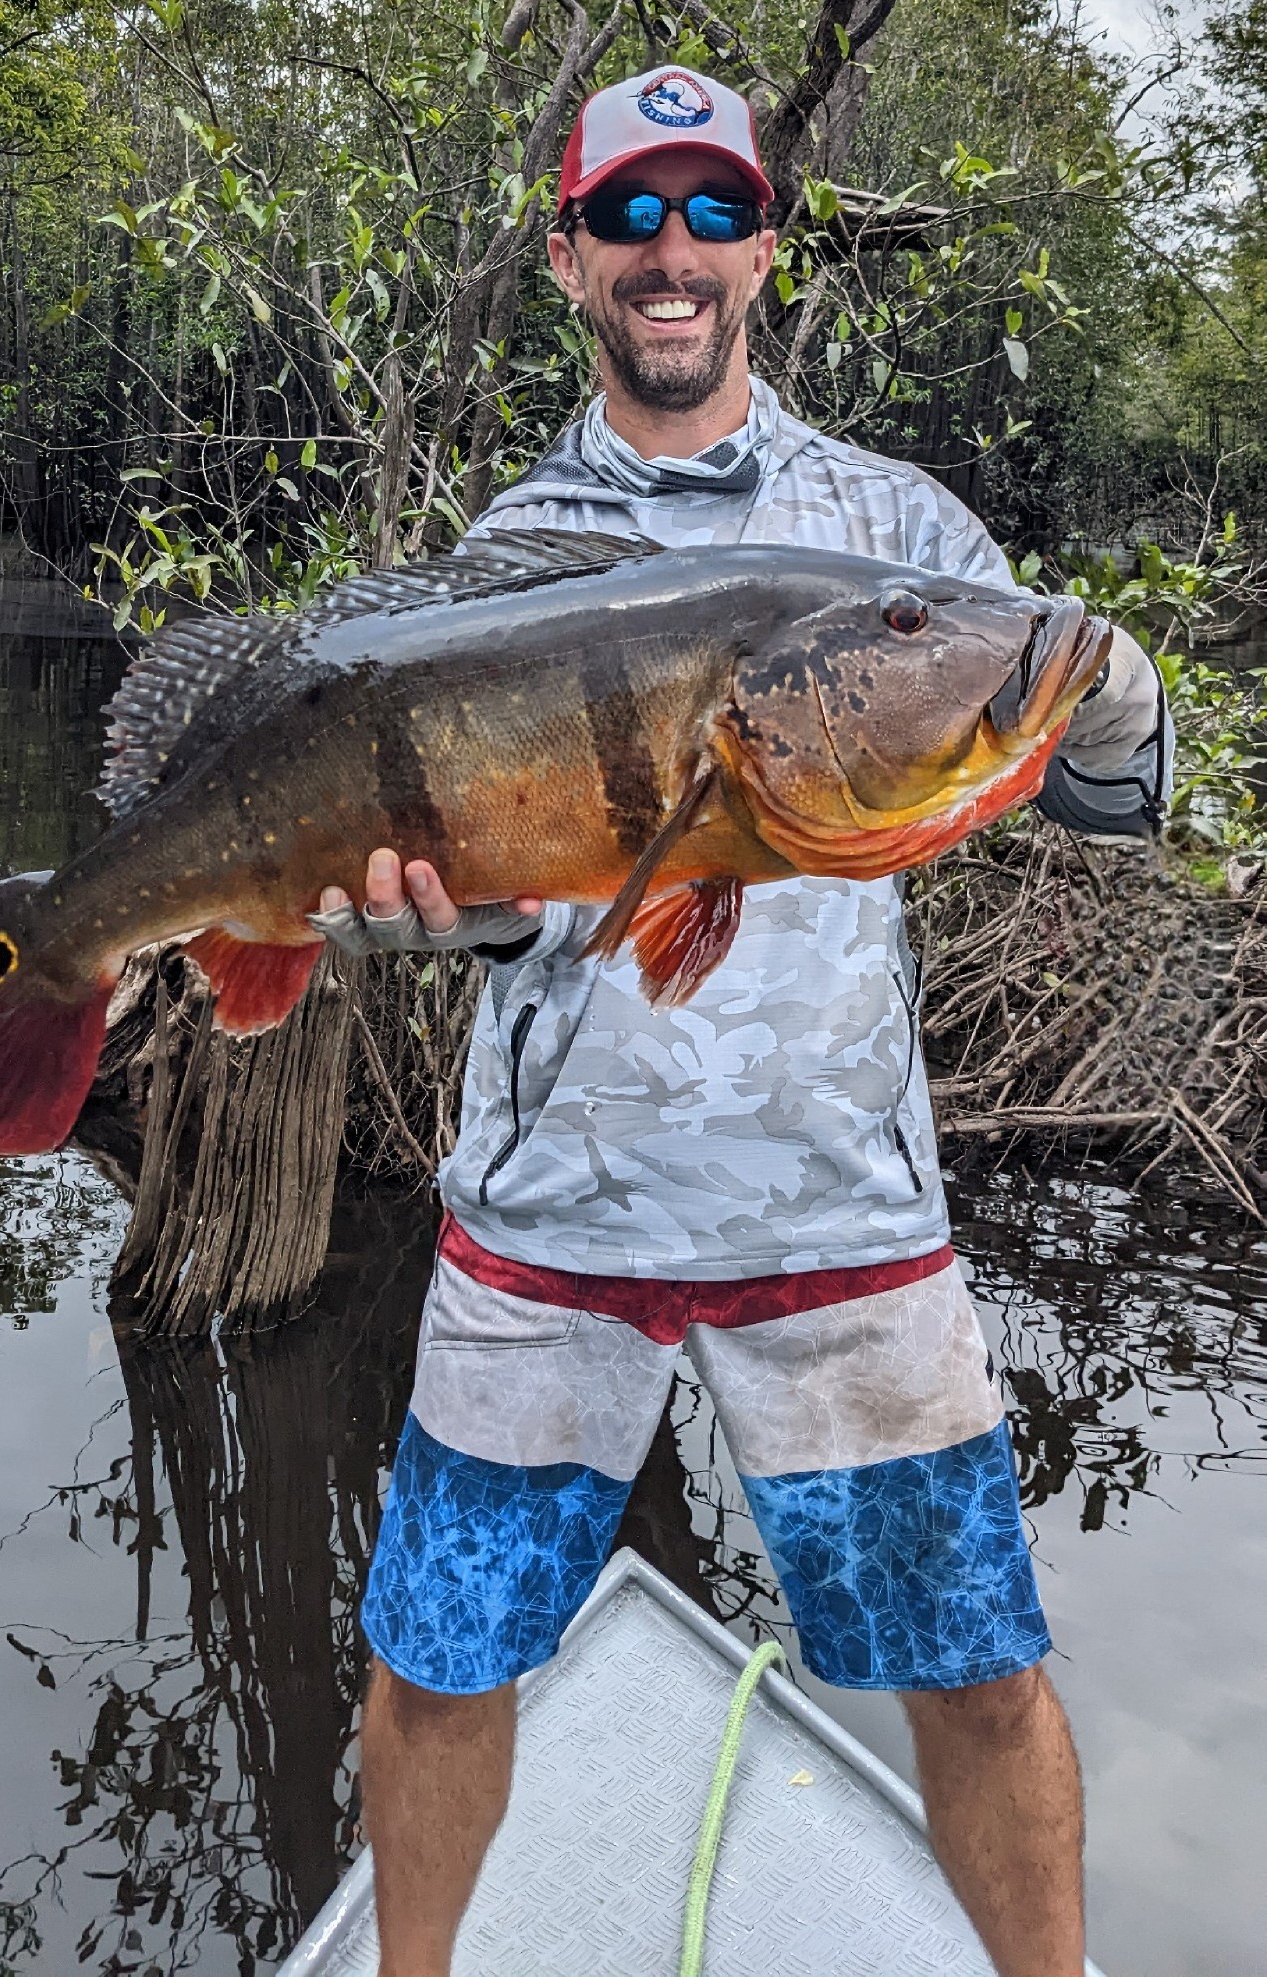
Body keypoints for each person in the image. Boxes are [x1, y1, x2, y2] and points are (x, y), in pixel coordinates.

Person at [312, 64, 1170, 1977]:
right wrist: (407, 927)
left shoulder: (895, 532)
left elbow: (1098, 797)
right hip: (547, 1226)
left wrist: (1114, 699)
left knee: (976, 1670)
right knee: (439, 1662)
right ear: (570, 260)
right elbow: (498, 907)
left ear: (769, 247)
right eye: (631, 215)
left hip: (840, 1228)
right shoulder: (508, 550)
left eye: (712, 211)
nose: (673, 252)